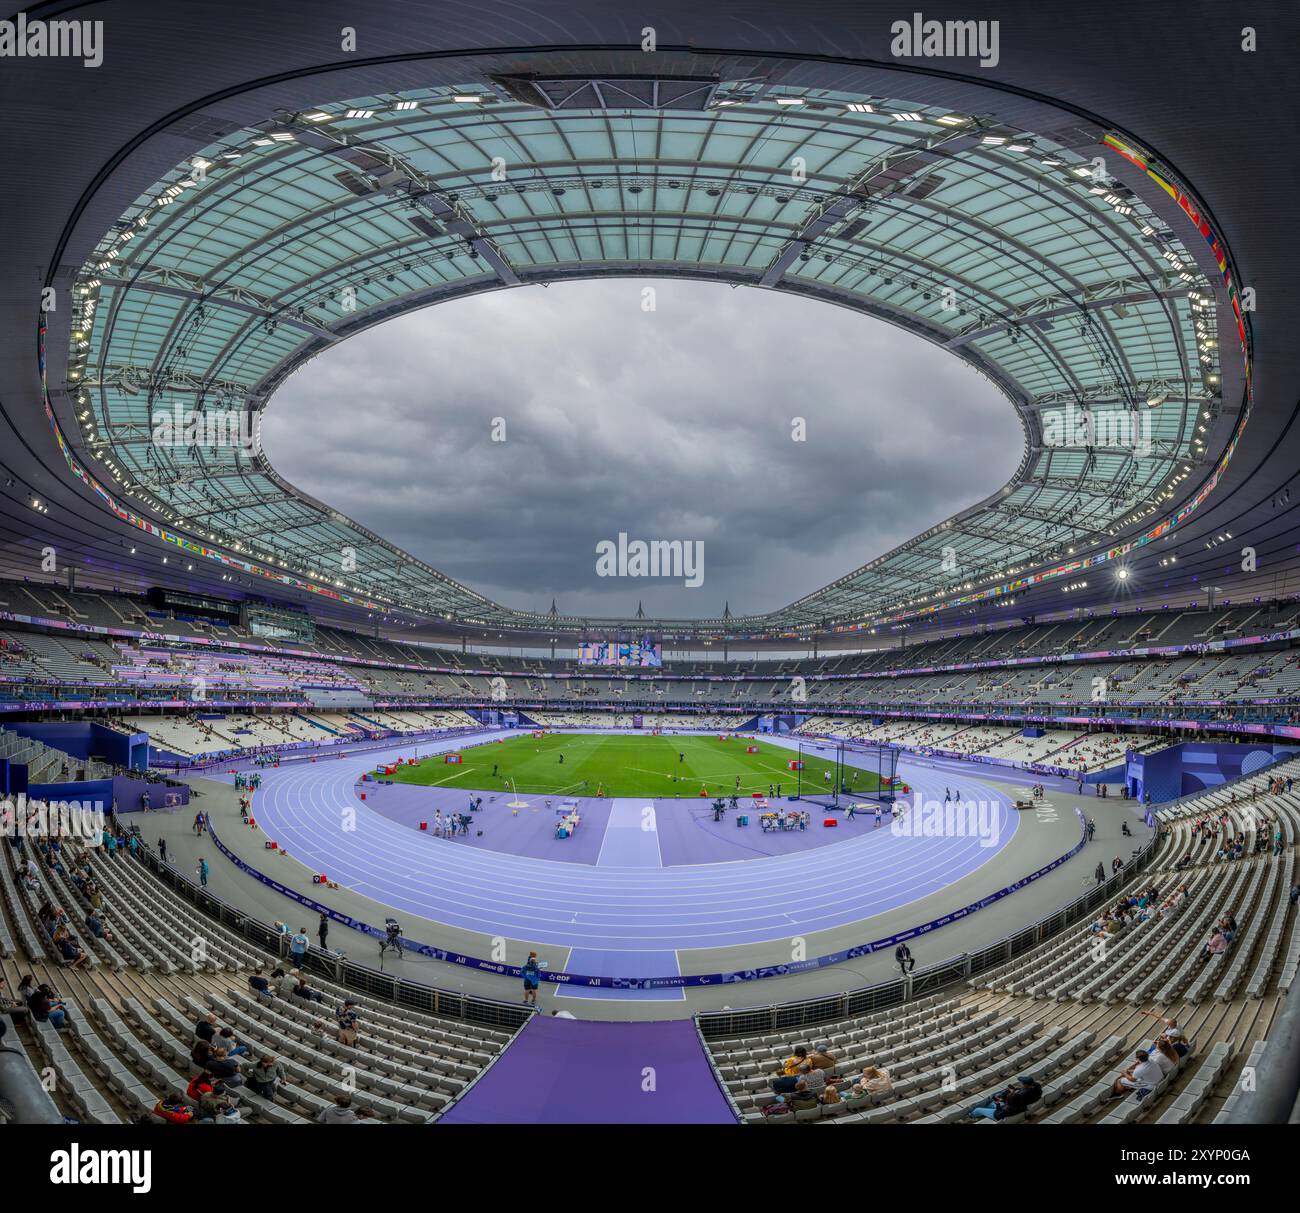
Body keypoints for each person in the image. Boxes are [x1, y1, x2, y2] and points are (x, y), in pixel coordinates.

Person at [968, 1074, 1042, 1120]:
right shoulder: (1036, 1086)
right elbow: (1016, 1099)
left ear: (1025, 1085)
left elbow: (999, 1113)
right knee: (991, 1104)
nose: (1021, 1083)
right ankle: (984, 1113)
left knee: (978, 1109)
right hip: (1011, 1110)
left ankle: (971, 1116)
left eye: (1022, 1083)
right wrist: (1013, 1091)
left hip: (998, 1114)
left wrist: (998, 1104)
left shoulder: (1009, 1107)